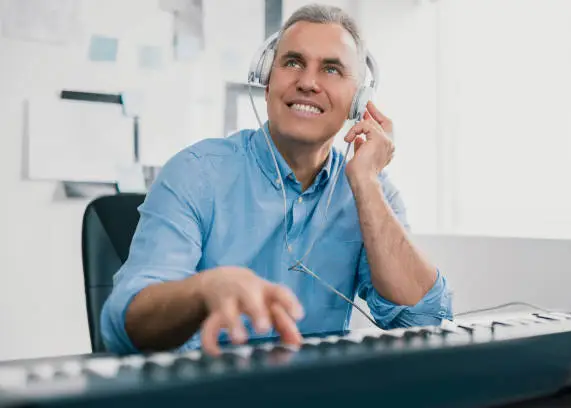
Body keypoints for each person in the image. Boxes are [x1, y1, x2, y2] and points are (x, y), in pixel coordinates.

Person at [101, 3, 453, 356]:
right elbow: (122, 328)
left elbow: (424, 323)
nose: (308, 82)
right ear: (266, 81)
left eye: (331, 69)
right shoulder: (196, 173)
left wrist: (366, 184)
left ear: (358, 102)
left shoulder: (371, 191)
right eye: (293, 62)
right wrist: (204, 290)